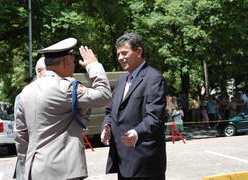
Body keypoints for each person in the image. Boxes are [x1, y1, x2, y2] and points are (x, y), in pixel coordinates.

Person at [15, 38, 111, 180]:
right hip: (64, 170)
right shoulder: (66, 87)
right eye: (73, 62)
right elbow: (104, 95)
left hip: (35, 169)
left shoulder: (25, 92)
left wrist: (24, 169)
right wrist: (94, 66)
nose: (73, 66)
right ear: (66, 62)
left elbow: (21, 137)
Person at [101, 33, 166, 180]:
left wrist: (137, 133)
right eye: (118, 54)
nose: (120, 58)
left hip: (144, 162)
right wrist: (107, 126)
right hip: (122, 159)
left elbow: (155, 117)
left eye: (124, 53)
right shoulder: (121, 80)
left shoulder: (154, 78)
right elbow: (111, 111)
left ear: (139, 52)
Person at [13, 57, 46, 180]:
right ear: (39, 72)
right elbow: (20, 133)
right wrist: (24, 163)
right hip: (30, 160)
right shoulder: (22, 97)